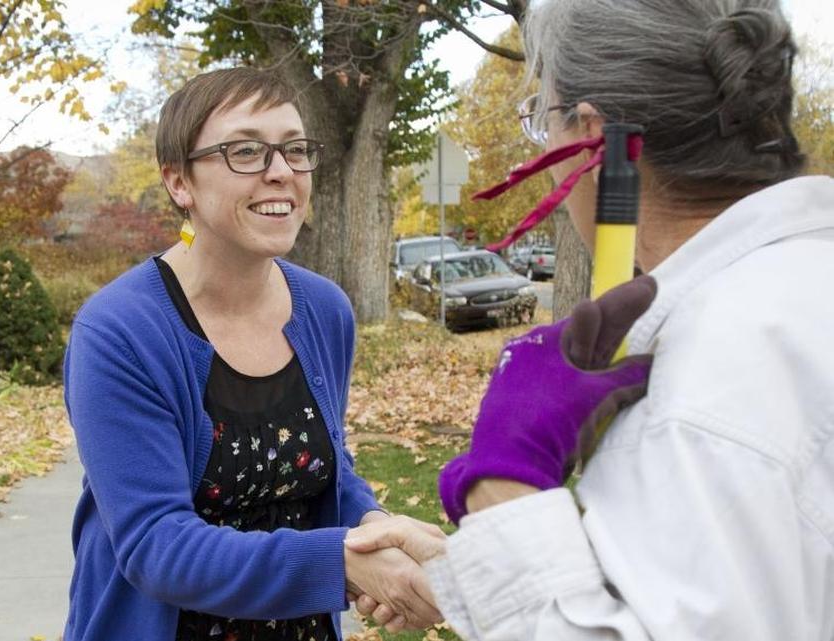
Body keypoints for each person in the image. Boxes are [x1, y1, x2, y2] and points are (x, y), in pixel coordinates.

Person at [344, 0, 834, 639]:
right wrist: (454, 563)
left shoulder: (712, 379)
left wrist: (501, 485)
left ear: (589, 140)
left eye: (539, 119)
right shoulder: (791, 289)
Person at [62, 67, 443, 641]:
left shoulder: (324, 311)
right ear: (179, 183)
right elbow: (155, 545)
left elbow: (324, 474)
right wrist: (343, 562)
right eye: (245, 151)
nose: (281, 172)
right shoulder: (119, 332)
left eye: (295, 149)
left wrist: (378, 533)